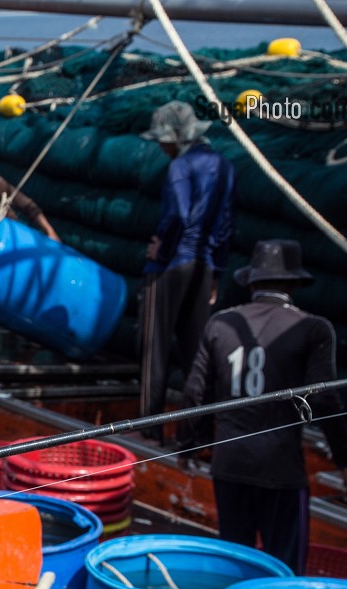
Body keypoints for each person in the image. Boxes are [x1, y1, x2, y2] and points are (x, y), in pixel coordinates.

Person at [180, 240, 347, 574]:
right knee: (284, 572)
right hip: (281, 471)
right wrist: (345, 461)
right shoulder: (313, 328)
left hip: (229, 465)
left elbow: (194, 392)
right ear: (293, 283)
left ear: (251, 281)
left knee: (234, 567)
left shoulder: (219, 323)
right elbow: (324, 397)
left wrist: (189, 446)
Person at [140, 100, 236, 436]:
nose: (162, 148)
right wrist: (216, 275)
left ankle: (150, 428)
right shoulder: (224, 166)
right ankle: (196, 430)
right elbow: (224, 228)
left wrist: (160, 251)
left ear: (177, 137)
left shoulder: (179, 167)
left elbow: (178, 215)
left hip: (173, 265)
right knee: (197, 349)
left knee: (155, 347)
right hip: (204, 266)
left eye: (163, 141)